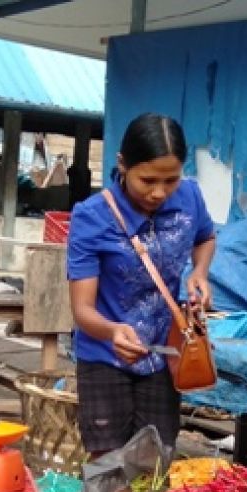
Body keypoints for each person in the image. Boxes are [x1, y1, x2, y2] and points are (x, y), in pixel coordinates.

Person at [67, 112, 216, 455]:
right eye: (147, 180)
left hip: (165, 357)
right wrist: (112, 331)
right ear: (122, 164)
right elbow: (82, 310)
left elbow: (206, 238)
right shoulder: (92, 217)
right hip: (105, 358)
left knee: (155, 466)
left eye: (171, 180)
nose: (159, 192)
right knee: (110, 470)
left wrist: (200, 273)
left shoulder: (190, 196)